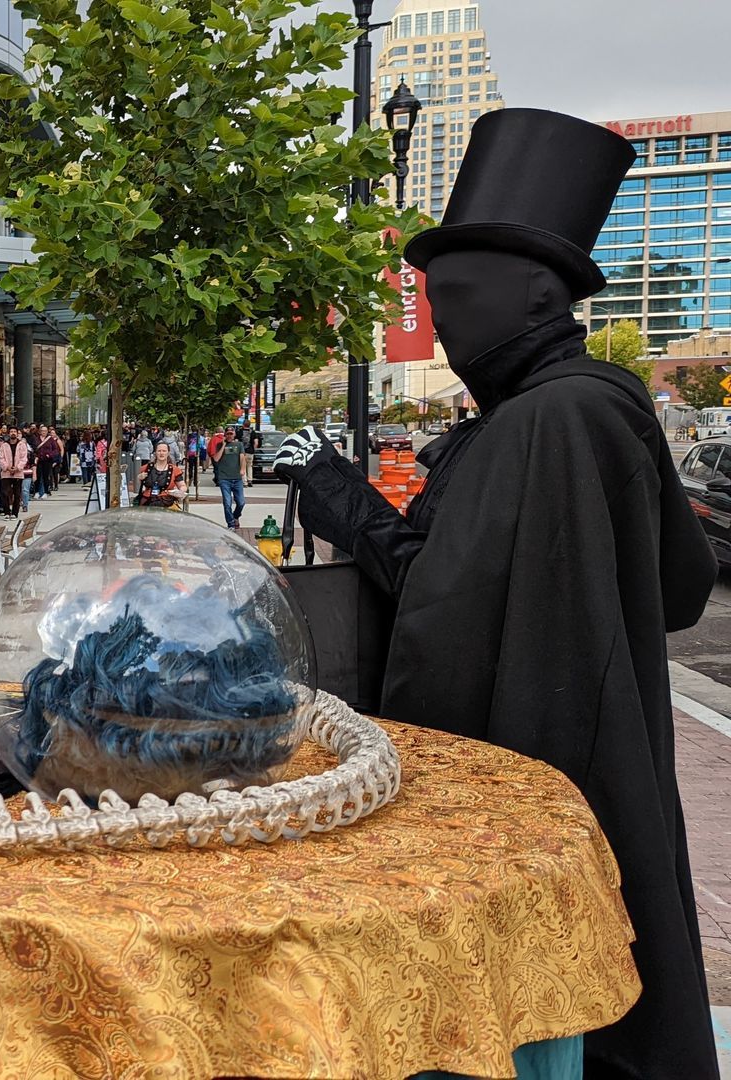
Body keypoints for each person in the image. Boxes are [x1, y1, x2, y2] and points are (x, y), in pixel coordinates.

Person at [277, 109, 716, 1078]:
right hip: (598, 761)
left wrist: (339, 495)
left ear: (519, 296)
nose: (442, 322)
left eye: (450, 298)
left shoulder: (545, 424)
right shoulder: (600, 403)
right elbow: (682, 588)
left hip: (534, 766)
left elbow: (437, 598)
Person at [211, 425, 246, 529]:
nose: (230, 436)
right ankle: (230, 523)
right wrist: (223, 445)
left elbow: (242, 457)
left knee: (241, 502)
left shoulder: (239, 445)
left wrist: (242, 469)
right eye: (228, 434)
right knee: (227, 503)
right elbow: (216, 459)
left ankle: (235, 516)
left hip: (237, 478)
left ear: (234, 434)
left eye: (231, 433)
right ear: (225, 435)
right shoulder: (219, 445)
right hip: (224, 478)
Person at [136, 442, 184, 508]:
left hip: (167, 503)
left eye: (164, 451)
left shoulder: (175, 470)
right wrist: (139, 478)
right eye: (159, 451)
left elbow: (182, 485)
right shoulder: (145, 468)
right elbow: (137, 486)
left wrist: (181, 491)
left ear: (168, 453)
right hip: (147, 502)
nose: (161, 453)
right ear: (155, 452)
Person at [0, 431, 29, 517]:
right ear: (9, 434)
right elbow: (1, 458)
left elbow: (24, 458)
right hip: (6, 472)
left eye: (14, 432)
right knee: (5, 492)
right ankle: (6, 512)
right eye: (11, 432)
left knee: (17, 494)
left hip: (18, 472)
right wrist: (7, 467)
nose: (13, 433)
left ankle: (14, 513)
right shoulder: (4, 445)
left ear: (17, 434)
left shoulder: (22, 445)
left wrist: (18, 467)